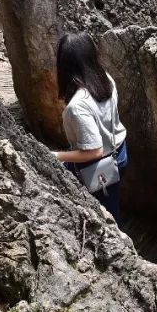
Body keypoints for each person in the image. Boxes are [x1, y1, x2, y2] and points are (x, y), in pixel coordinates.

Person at [54, 33, 128, 226]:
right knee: (112, 201)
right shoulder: (106, 80)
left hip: (99, 167)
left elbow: (94, 150)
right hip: (119, 152)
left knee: (108, 217)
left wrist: (57, 156)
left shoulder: (78, 106)